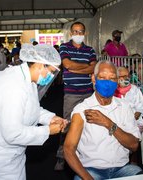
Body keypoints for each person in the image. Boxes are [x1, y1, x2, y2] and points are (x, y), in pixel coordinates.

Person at [0, 44, 68, 180]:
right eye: (51, 71)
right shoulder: (13, 86)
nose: (51, 76)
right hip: (0, 156)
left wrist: (50, 118)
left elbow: (31, 108)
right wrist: (48, 130)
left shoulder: (27, 79)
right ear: (39, 64)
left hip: (13, 154)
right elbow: (12, 134)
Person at [63, 60, 142, 180]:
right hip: (92, 170)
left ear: (117, 82)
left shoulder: (125, 107)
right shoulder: (82, 110)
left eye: (112, 78)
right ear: (94, 79)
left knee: (141, 174)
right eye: (102, 77)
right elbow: (68, 149)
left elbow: (134, 145)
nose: (107, 82)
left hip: (122, 168)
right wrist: (87, 178)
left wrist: (108, 123)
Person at [55, 21, 97, 170]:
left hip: (88, 93)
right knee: (67, 125)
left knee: (88, 124)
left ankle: (84, 155)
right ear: (71, 33)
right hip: (71, 94)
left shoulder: (90, 50)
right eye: (75, 31)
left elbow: (93, 68)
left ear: (84, 33)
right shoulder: (64, 47)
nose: (78, 34)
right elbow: (67, 65)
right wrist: (85, 67)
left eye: (81, 32)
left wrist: (77, 68)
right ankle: (61, 156)